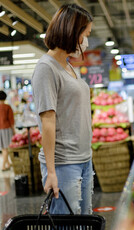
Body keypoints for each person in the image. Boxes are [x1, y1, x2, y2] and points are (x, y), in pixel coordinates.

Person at [31, 4, 94, 214]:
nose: (86, 41)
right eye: (85, 34)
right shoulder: (46, 68)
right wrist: (51, 172)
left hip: (84, 158)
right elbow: (48, 121)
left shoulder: (68, 66)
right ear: (72, 32)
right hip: (64, 163)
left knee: (83, 227)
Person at [0, 90, 15, 171]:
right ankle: (3, 166)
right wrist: (14, 130)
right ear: (5, 97)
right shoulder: (7, 107)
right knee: (6, 148)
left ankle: (8, 163)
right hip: (6, 128)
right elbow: (11, 120)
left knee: (3, 148)